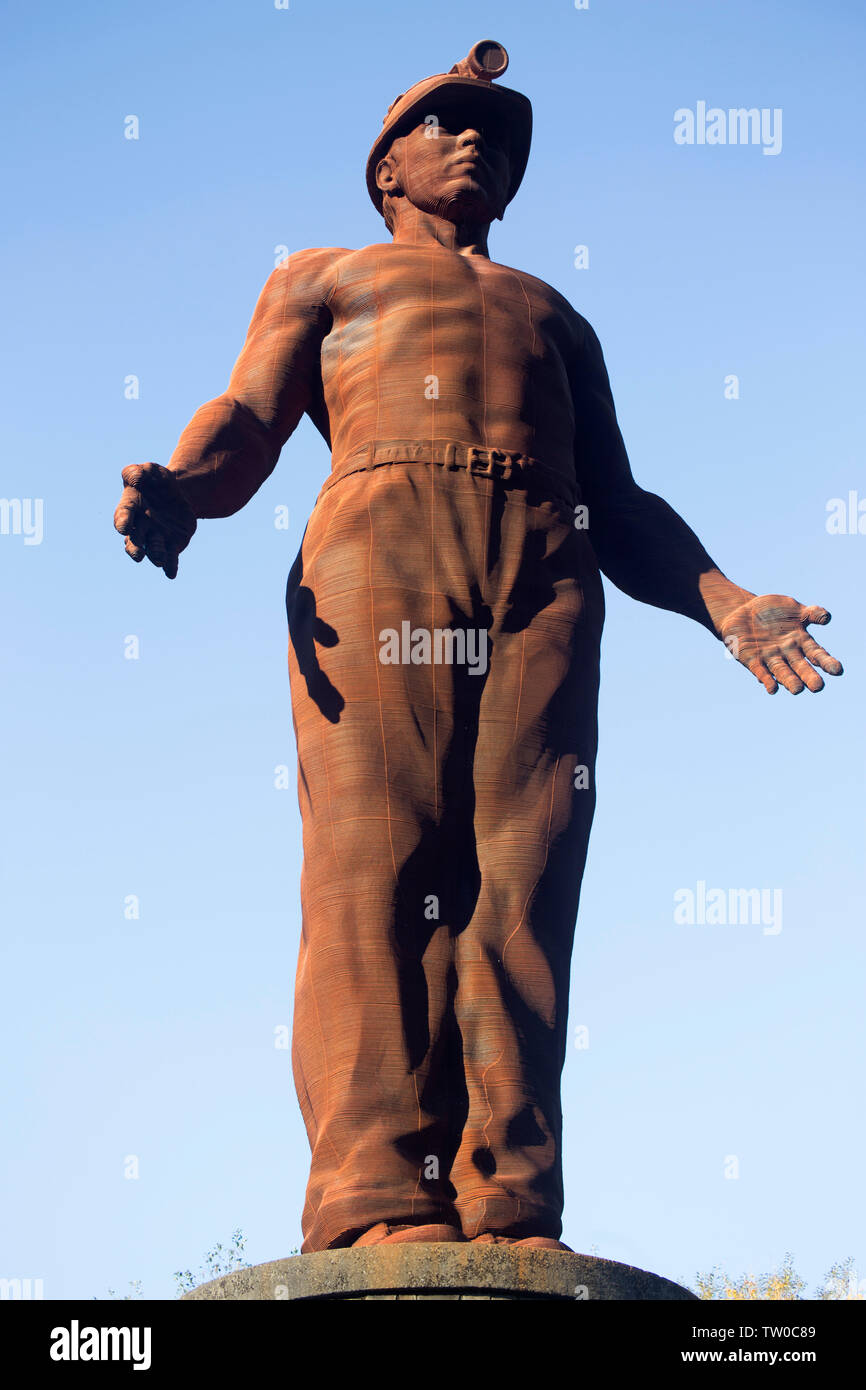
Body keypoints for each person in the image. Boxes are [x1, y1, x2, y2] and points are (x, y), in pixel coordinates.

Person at [113, 41, 843, 1253]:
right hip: (381, 537)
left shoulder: (552, 314)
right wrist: (184, 487)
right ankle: (374, 1195)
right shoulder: (325, 276)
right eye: (447, 123)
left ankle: (508, 1198)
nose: (476, 142)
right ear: (384, 165)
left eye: (495, 135)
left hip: (543, 566)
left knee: (522, 879)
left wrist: (723, 599)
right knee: (376, 866)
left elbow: (616, 494)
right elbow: (247, 416)